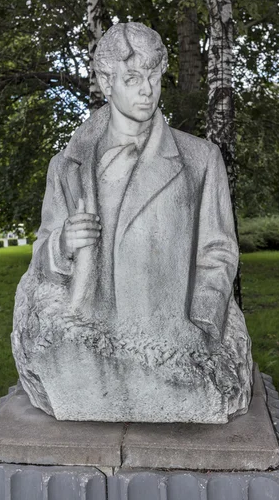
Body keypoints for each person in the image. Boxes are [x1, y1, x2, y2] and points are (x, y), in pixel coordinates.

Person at [13, 22, 252, 423]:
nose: (147, 89)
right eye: (132, 78)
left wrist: (203, 324)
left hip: (172, 342)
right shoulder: (68, 166)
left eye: (154, 77)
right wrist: (62, 246)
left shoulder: (200, 159)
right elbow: (41, 253)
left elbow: (218, 252)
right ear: (107, 83)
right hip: (87, 344)